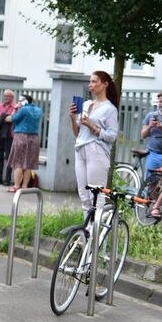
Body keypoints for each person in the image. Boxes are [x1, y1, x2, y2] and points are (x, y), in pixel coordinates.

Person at [69, 70, 119, 218]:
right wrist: (72, 118)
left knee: (95, 197)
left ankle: (97, 237)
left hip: (97, 152)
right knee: (84, 197)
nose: (91, 84)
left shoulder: (110, 109)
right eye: (90, 81)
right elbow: (77, 133)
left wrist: (92, 126)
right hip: (81, 149)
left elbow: (112, 136)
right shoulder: (86, 104)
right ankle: (88, 234)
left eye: (94, 81)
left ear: (105, 84)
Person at [5, 94, 42, 192]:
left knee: (18, 162)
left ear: (23, 101)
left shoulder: (23, 109)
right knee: (28, 163)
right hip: (34, 138)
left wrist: (16, 109)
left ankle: (16, 186)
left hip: (21, 136)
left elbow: (12, 119)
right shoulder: (38, 110)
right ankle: (24, 186)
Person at [0, 89, 17, 185]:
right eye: (4, 96)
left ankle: (7, 179)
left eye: (7, 96)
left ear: (12, 97)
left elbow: (12, 119)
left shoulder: (15, 107)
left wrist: (1, 118)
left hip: (10, 135)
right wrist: (4, 117)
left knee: (8, 157)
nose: (5, 98)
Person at [139, 91, 162, 180]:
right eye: (160, 102)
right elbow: (142, 135)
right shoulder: (151, 115)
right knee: (150, 183)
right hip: (153, 154)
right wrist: (150, 126)